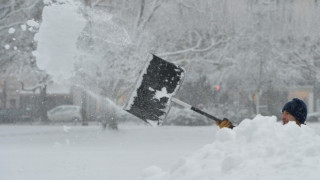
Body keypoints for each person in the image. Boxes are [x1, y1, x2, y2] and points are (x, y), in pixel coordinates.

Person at [216, 98, 307, 128]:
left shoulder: (307, 142)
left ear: (298, 117)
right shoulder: (278, 134)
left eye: (287, 114)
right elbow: (256, 142)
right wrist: (231, 129)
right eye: (283, 113)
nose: (283, 117)